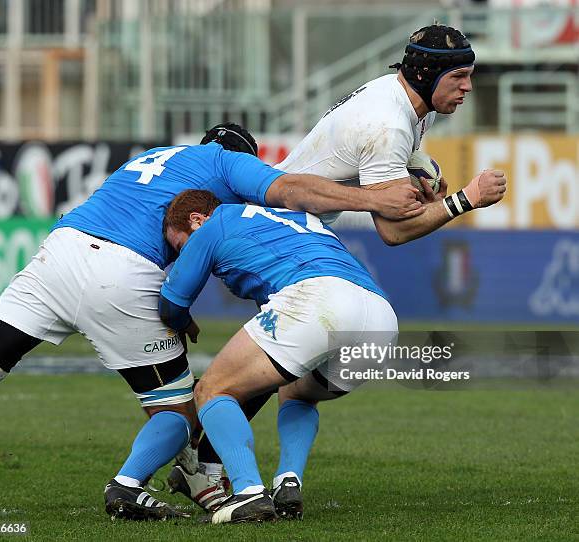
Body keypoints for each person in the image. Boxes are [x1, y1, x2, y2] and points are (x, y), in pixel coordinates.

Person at [0, 123, 423, 521]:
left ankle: (201, 481)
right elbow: (288, 190)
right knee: (183, 407)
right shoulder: (228, 167)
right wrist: (372, 197)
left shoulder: (153, 158)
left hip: (61, 248)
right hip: (131, 269)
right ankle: (187, 485)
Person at [170, 23, 508, 508]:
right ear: (428, 73)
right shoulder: (388, 125)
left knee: (275, 372)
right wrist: (464, 200)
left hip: (298, 232)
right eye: (459, 77)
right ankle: (210, 468)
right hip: (284, 232)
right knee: (254, 378)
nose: (468, 87)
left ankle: (213, 464)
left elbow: (386, 164)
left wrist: (420, 169)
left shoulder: (404, 102)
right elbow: (393, 232)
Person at [159, 177, 505, 523]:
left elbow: (171, 306)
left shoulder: (212, 225)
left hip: (317, 299)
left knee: (212, 389)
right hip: (379, 317)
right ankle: (287, 480)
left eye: (180, 246)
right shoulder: (290, 216)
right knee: (295, 392)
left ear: (196, 220)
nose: (182, 254)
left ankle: (247, 493)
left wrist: (184, 321)